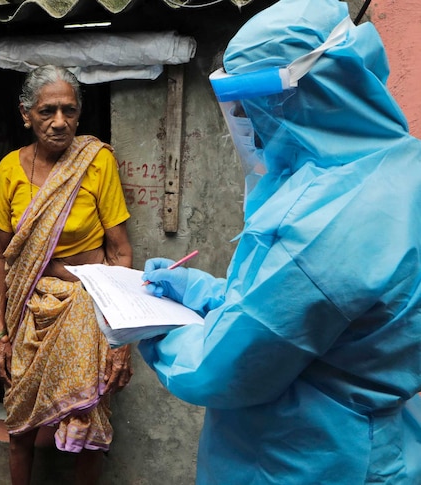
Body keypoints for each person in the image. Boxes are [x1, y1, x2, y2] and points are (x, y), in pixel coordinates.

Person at [132, 0, 421, 483]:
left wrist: (153, 331)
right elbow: (307, 316)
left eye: (252, 107)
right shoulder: (397, 166)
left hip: (302, 458)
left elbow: (223, 368)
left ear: (296, 96)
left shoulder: (321, 221)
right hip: (379, 443)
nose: (249, 123)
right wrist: (204, 292)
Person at [0, 65, 134, 485]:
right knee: (20, 421)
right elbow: (1, 255)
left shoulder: (96, 162)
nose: (59, 122)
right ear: (25, 114)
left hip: (85, 306)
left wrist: (120, 339)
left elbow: (120, 251)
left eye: (69, 111)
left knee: (86, 425)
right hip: (25, 308)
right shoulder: (9, 170)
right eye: (47, 111)